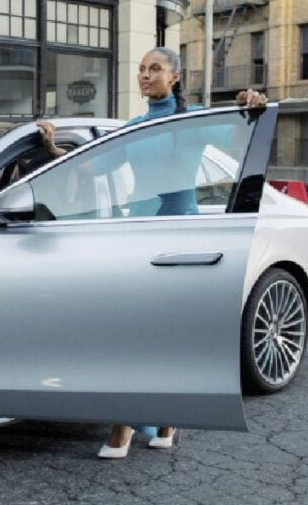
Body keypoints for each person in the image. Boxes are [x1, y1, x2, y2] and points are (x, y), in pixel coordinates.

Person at [36, 47, 267, 459]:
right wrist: (52, 149)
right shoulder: (137, 126)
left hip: (180, 236)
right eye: (141, 69)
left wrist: (249, 106)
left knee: (163, 333)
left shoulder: (192, 120)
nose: (145, 75)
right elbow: (92, 167)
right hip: (136, 233)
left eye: (154, 69)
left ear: (174, 77)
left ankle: (139, 422)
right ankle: (145, 420)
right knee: (129, 328)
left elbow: (236, 139)